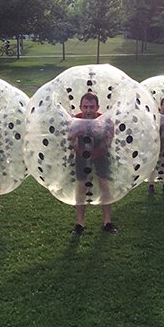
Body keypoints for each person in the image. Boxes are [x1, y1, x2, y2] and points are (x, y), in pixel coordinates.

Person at [69, 92, 117, 235]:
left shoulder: (103, 120)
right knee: (81, 188)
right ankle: (80, 224)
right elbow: (70, 138)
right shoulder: (75, 120)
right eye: (85, 107)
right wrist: (76, 146)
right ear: (80, 107)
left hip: (100, 156)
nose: (88, 110)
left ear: (97, 107)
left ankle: (107, 222)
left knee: (104, 186)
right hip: (81, 158)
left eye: (91, 107)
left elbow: (110, 135)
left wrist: (104, 144)